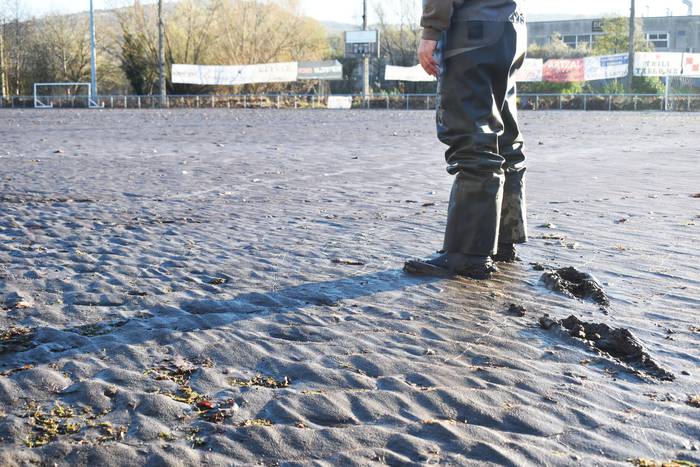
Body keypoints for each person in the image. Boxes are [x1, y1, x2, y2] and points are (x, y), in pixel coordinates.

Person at [404, 0, 528, 280]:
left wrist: (430, 32)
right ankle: (502, 240)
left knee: (472, 135)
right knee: (505, 135)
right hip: (513, 26)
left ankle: (468, 254)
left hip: (472, 28)